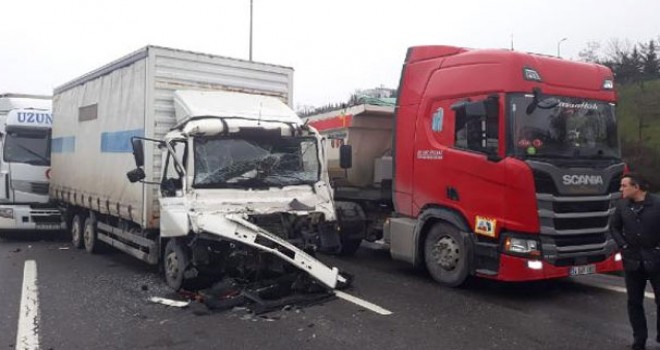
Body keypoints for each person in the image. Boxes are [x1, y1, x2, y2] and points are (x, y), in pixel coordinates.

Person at [610, 173, 660, 350]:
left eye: (624, 186)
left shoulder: (657, 204)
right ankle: (639, 340)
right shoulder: (622, 205)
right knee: (634, 303)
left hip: (656, 260)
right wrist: (623, 245)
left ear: (636, 187)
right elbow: (614, 227)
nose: (620, 189)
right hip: (632, 262)